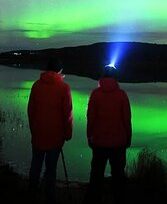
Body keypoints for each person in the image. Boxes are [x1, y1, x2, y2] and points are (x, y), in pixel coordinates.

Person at [27, 57, 73, 204]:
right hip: (55, 137)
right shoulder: (64, 88)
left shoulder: (36, 86)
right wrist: (68, 134)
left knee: (36, 166)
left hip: (38, 135)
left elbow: (31, 111)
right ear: (60, 71)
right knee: (51, 169)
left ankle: (31, 194)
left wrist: (33, 130)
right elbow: (68, 115)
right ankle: (49, 197)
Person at [84, 64, 132, 204]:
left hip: (99, 142)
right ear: (115, 77)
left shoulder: (95, 94)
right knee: (118, 176)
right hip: (118, 143)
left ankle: (93, 200)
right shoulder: (122, 95)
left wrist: (89, 136)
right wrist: (128, 137)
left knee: (96, 176)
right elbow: (127, 119)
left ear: (102, 76)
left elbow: (90, 117)